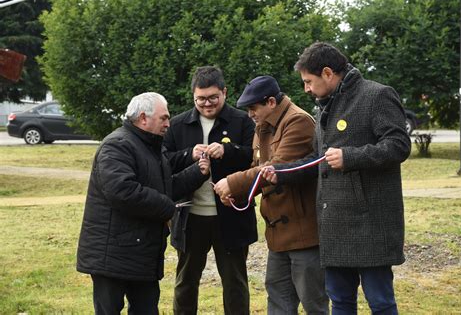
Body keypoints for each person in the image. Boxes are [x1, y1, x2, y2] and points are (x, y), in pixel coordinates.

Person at [261, 42, 411, 314]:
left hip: (371, 226)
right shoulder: (325, 107)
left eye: (308, 81)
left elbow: (399, 145)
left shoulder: (377, 95)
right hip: (334, 228)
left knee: (380, 302)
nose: (306, 88)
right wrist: (280, 173)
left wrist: (350, 157)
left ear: (328, 73)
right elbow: (319, 160)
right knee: (340, 302)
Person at [76, 92, 210, 314]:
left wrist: (197, 173)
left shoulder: (151, 147)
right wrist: (169, 208)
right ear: (143, 118)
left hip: (141, 252)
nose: (169, 123)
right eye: (164, 118)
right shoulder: (117, 145)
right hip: (112, 256)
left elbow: (164, 188)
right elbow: (123, 191)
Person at [213, 75, 329, 314]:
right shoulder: (263, 126)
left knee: (313, 303)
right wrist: (241, 195)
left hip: (304, 234)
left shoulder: (298, 121)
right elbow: (260, 173)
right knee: (278, 301)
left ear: (271, 103)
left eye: (253, 107)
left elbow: (275, 167)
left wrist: (233, 184)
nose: (250, 114)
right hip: (279, 235)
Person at [163, 66, 257, 315]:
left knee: (235, 282)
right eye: (200, 99)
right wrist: (187, 155)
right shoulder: (177, 125)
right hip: (189, 217)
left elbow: (255, 159)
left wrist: (229, 151)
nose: (206, 104)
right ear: (193, 96)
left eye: (213, 98)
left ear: (224, 93)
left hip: (232, 215)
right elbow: (162, 162)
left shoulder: (244, 121)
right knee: (185, 282)